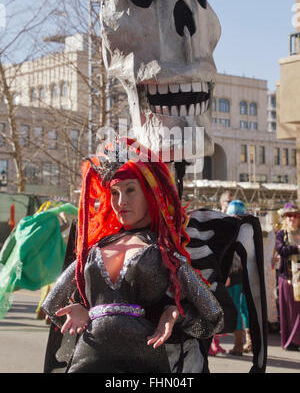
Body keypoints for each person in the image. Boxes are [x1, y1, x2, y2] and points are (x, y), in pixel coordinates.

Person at [42, 138, 224, 373]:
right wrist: (79, 309)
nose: (121, 202)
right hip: (89, 359)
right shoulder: (94, 248)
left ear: (150, 193)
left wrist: (175, 315)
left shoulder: (165, 251)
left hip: (143, 364)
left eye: (130, 190)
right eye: (114, 192)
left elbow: (214, 316)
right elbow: (52, 304)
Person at [225, 200, 252, 355]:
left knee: (237, 308)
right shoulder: (249, 231)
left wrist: (226, 274)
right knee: (244, 308)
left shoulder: (231, 231)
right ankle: (249, 342)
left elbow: (228, 256)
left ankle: (239, 345)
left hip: (236, 276)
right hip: (244, 275)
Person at [276, 203, 300, 351]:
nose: (292, 218)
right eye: (289, 216)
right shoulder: (281, 234)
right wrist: (297, 248)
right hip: (288, 277)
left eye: (295, 215)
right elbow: (281, 249)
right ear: (285, 218)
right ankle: (291, 341)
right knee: (290, 311)